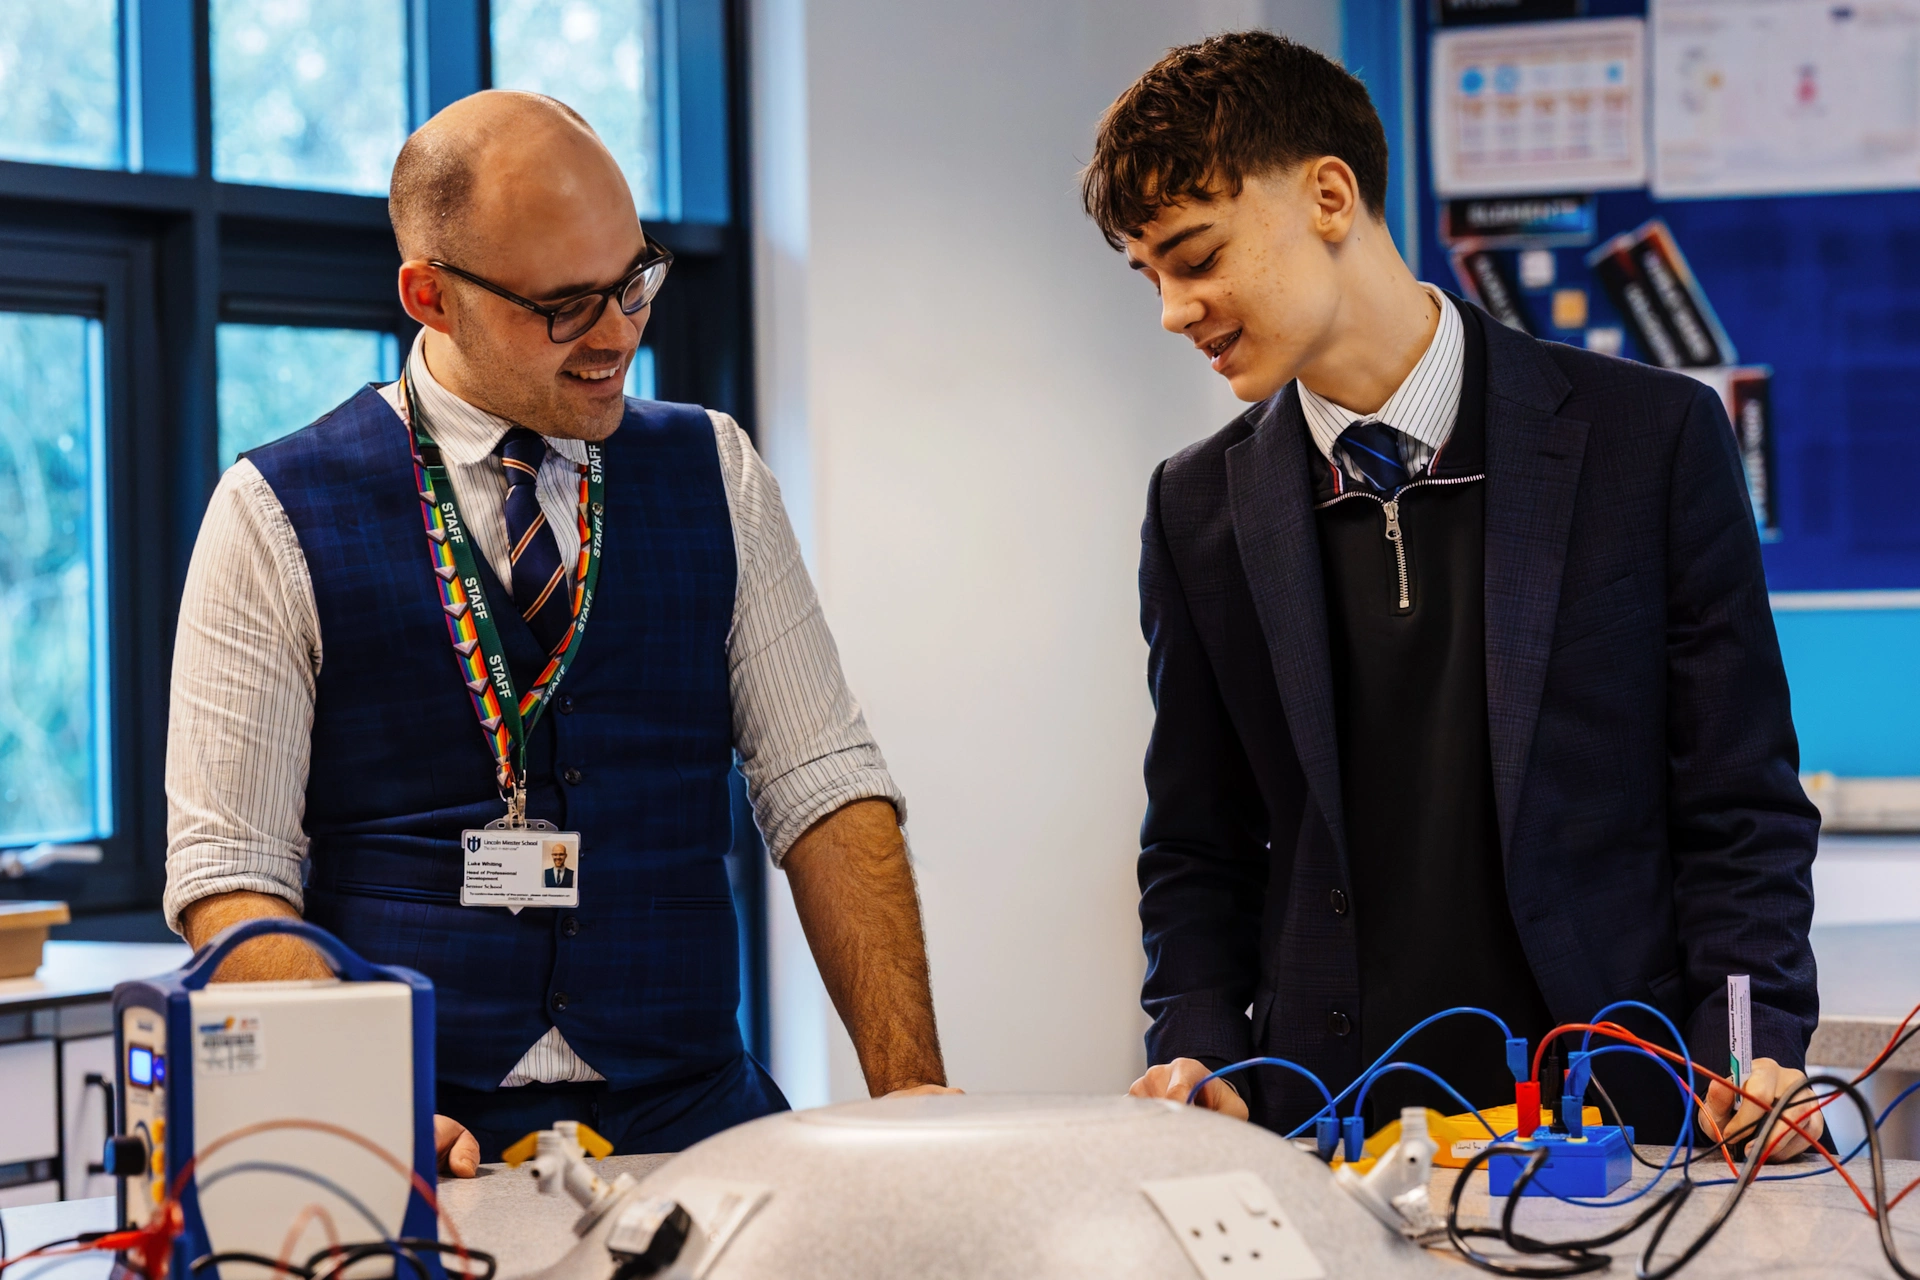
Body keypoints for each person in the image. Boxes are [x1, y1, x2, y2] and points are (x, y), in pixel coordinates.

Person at [165, 91, 954, 1174]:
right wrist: (361, 1105)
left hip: (697, 1117)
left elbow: (825, 788)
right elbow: (230, 875)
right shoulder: (272, 510)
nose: (620, 332)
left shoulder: (715, 472)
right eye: (567, 305)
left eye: (634, 281)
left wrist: (914, 1101)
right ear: (428, 295)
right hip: (420, 1139)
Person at [1083, 33, 1823, 1157]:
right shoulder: (1198, 509)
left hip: (1625, 1120)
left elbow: (1738, 804)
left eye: (1194, 255)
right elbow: (1197, 845)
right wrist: (1197, 1054)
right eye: (1150, 276)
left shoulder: (1651, 441)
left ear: (1329, 194)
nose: (1176, 310)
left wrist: (1748, 1046)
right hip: (1330, 1133)